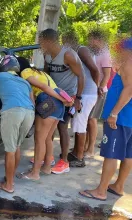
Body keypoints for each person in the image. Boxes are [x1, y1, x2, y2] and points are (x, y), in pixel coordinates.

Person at [79, 38, 132, 201]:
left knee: (111, 154)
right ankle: (118, 186)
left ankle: (101, 191)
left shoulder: (129, 62)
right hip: (129, 119)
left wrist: (114, 113)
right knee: (128, 155)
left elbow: (130, 89)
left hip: (121, 119)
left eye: (119, 49)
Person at [0, 55, 35, 193]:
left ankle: (8, 185)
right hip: (29, 113)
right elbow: (32, 102)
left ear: (2, 66)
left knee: (10, 149)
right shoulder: (25, 82)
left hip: (12, 112)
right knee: (17, 146)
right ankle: (10, 179)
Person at [16, 58, 73, 180]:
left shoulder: (25, 72)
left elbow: (43, 87)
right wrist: (63, 100)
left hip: (48, 100)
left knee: (39, 140)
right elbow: (56, 88)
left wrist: (61, 98)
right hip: (58, 104)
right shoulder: (41, 73)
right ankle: (46, 167)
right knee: (48, 138)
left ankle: (34, 173)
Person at [39, 29, 85, 174]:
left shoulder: (68, 55)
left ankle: (64, 161)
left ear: (49, 41)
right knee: (49, 126)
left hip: (68, 97)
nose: (39, 44)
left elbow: (81, 76)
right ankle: (48, 157)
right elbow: (46, 73)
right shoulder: (46, 54)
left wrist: (78, 98)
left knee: (62, 127)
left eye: (41, 41)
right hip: (52, 95)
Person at [62, 31, 100, 165]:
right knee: (77, 124)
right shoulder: (76, 51)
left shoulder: (81, 50)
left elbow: (95, 70)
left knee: (80, 125)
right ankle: (76, 152)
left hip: (86, 94)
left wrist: (98, 86)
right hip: (83, 93)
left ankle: (79, 157)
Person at [85, 29, 112, 155]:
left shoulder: (105, 54)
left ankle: (90, 149)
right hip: (89, 89)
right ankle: (83, 146)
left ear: (97, 40)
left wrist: (100, 88)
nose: (89, 42)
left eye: (91, 39)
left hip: (99, 91)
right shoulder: (92, 52)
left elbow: (107, 75)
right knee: (86, 119)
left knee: (92, 119)